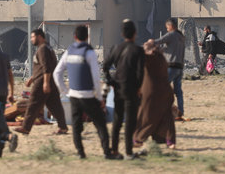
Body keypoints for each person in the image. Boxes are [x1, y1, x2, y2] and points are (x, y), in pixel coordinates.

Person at [53, 25, 124, 160]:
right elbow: (96, 78)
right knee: (100, 124)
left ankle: (80, 153)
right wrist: (99, 97)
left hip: (73, 95)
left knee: (76, 125)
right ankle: (106, 152)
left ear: (74, 36)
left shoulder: (69, 52)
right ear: (87, 37)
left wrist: (65, 91)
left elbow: (57, 73)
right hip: (88, 96)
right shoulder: (89, 53)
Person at [102, 19, 145, 157]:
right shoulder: (138, 50)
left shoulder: (116, 48)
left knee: (117, 120)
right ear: (135, 33)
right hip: (131, 89)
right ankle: (128, 151)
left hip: (118, 89)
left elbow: (105, 66)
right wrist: (139, 87)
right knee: (130, 121)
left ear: (122, 34)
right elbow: (140, 72)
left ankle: (114, 150)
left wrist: (112, 81)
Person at [15, 29, 68, 135]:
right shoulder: (47, 48)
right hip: (48, 81)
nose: (31, 40)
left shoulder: (43, 49)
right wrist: (31, 79)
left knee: (33, 104)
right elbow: (41, 67)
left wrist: (45, 83)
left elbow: (46, 67)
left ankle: (25, 128)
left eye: (32, 37)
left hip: (42, 82)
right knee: (55, 105)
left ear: (40, 37)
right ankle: (63, 127)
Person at [134, 41, 176, 149]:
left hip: (152, 92)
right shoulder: (162, 58)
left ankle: (138, 139)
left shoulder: (150, 58)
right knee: (167, 117)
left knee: (145, 116)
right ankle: (169, 140)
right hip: (166, 91)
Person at [151, 18, 186, 120]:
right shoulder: (181, 37)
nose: (167, 30)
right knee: (178, 92)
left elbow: (158, 41)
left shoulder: (172, 35)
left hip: (171, 66)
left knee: (161, 87)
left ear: (171, 26)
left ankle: (162, 110)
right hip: (180, 67)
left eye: (167, 27)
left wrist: (150, 42)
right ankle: (180, 112)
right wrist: (161, 50)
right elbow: (170, 49)